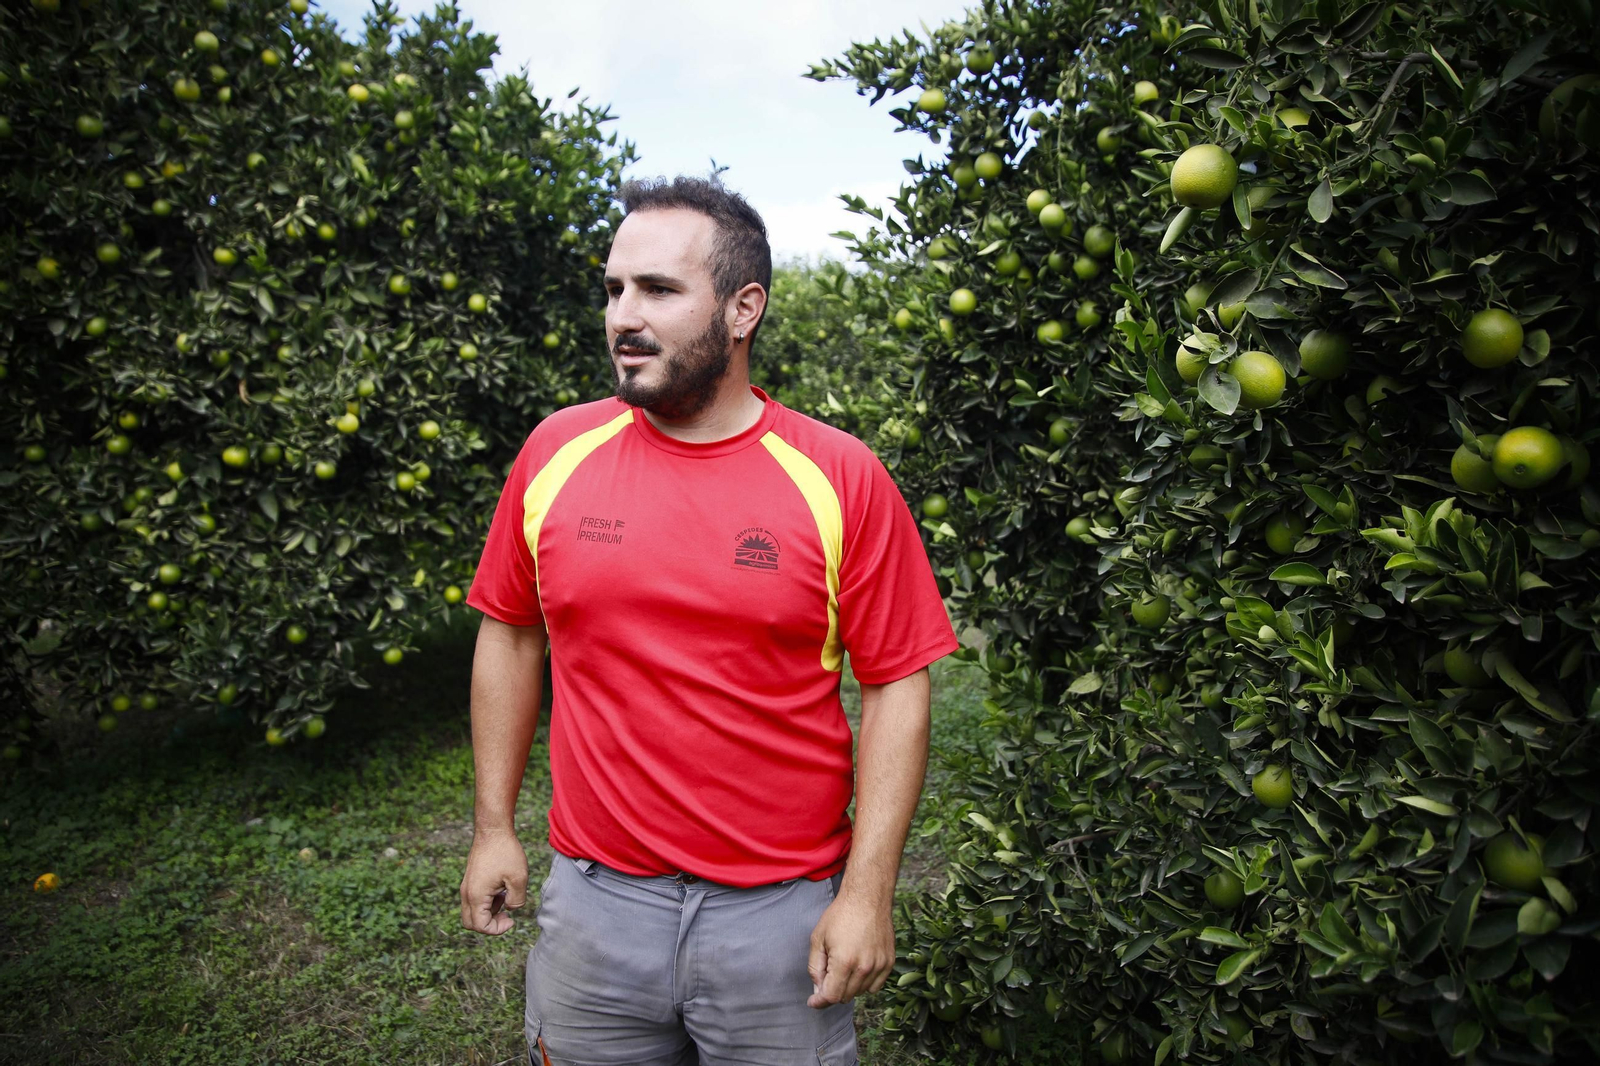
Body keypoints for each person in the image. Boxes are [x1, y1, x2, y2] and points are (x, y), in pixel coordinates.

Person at [458, 175, 958, 1066]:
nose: (623, 315)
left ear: (743, 309)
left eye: (658, 289)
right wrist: (494, 826)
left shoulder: (839, 477)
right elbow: (510, 631)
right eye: (613, 289)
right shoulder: (555, 452)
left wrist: (869, 891)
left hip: (776, 917)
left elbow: (894, 687)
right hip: (594, 905)